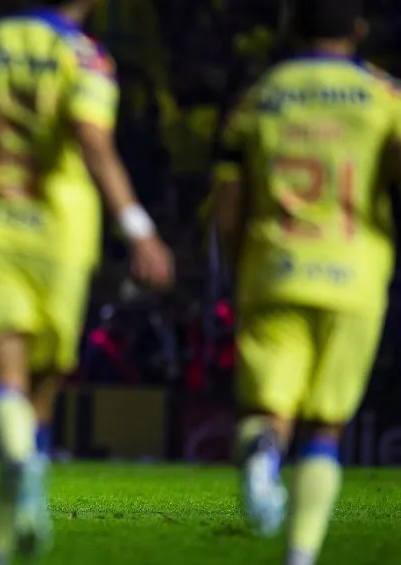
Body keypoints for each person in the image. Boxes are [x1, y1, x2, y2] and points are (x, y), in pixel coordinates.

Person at [0, 1, 173, 562]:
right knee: (44, 384)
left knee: (3, 377)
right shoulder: (84, 55)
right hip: (60, 229)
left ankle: (12, 513)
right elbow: (92, 139)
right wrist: (138, 229)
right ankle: (8, 533)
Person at [211, 2, 400, 564]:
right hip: (354, 272)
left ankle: (262, 455)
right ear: (360, 29)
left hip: (274, 267)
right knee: (326, 425)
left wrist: (237, 267)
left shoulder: (259, 96)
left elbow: (227, 206)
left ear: (291, 29)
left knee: (266, 412)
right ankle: (300, 554)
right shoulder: (384, 96)